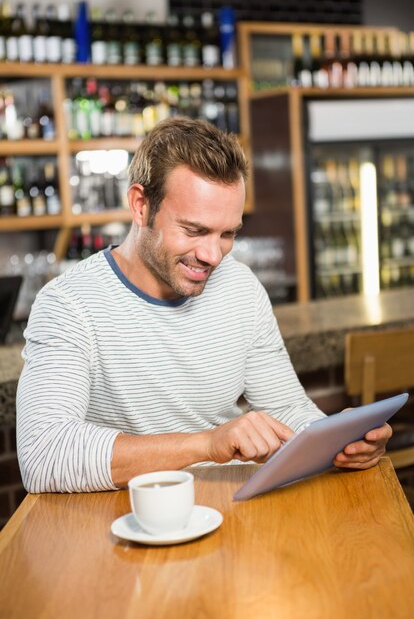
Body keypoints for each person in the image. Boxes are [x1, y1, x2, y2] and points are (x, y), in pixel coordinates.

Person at [16, 118, 391, 493]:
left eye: (228, 233)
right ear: (140, 205)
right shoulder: (68, 304)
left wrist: (338, 440)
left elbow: (287, 410)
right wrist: (207, 443)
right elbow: (44, 455)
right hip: (124, 525)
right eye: (194, 230)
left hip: (228, 509)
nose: (213, 255)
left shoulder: (241, 286)